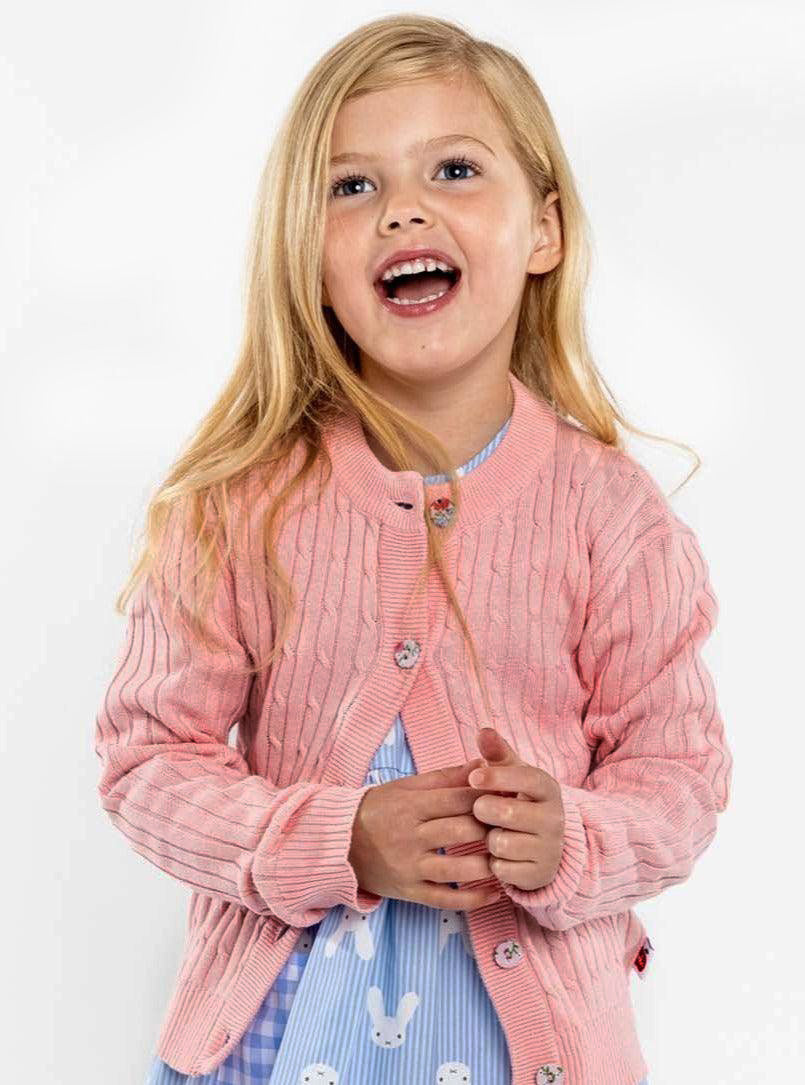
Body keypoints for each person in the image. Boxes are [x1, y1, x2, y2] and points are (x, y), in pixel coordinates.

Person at [93, 14, 732, 1085]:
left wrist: (570, 836)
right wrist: (337, 839)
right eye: (350, 187)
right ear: (310, 256)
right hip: (272, 1044)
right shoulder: (235, 507)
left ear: (544, 230)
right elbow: (147, 761)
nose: (402, 208)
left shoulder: (614, 516)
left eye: (454, 168)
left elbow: (679, 780)